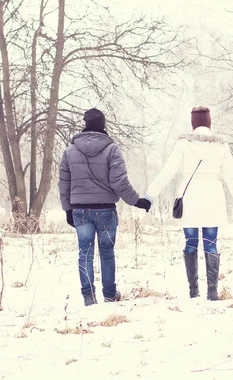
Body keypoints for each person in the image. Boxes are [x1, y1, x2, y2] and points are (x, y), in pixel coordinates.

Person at [144, 106, 233, 301]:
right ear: (209, 123)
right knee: (211, 242)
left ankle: (193, 290)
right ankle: (212, 292)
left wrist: (150, 195)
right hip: (213, 196)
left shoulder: (184, 144)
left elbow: (167, 172)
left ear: (193, 123)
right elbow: (231, 177)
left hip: (190, 196)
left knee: (190, 242)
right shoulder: (221, 145)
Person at [58, 108, 151, 307]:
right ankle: (109, 295)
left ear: (85, 124)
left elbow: (63, 183)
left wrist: (67, 210)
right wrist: (137, 201)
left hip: (80, 211)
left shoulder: (69, 152)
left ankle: (88, 297)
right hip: (106, 211)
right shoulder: (112, 150)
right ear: (103, 125)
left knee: (85, 252)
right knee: (106, 252)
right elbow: (119, 182)